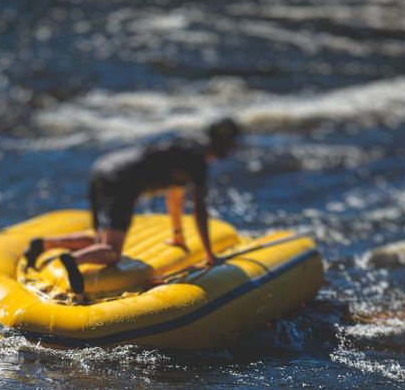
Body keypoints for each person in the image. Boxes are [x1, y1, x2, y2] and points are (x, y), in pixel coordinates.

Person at [23, 117, 242, 293]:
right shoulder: (198, 163)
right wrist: (210, 256)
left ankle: (44, 245)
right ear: (224, 143)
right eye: (233, 145)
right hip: (122, 181)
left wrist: (177, 235)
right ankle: (74, 260)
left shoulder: (185, 145)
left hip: (104, 168)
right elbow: (199, 211)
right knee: (111, 253)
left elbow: (174, 195)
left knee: (100, 240)